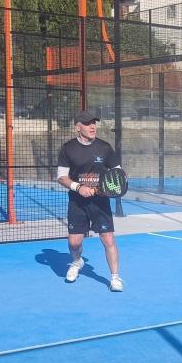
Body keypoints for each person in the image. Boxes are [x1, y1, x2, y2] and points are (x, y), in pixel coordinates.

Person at [57, 110, 124, 292]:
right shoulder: (68, 148)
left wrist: (115, 182)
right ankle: (77, 261)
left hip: (100, 203)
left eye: (94, 123)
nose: (92, 126)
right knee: (74, 243)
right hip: (77, 203)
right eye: (87, 124)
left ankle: (115, 278)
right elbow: (62, 177)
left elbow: (118, 172)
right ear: (78, 127)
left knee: (108, 239)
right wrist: (79, 187)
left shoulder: (104, 147)